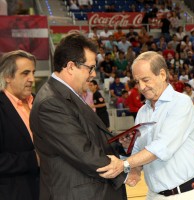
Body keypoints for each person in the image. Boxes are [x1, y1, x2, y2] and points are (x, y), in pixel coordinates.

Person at [29, 33, 139, 200]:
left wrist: (117, 141)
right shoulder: (51, 102)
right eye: (90, 67)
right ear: (71, 66)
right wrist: (123, 172)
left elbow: (87, 136)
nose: (93, 74)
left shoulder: (65, 96)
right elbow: (82, 151)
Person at [97, 51, 194, 200]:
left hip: (187, 194)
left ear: (162, 75)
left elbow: (162, 147)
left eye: (146, 80)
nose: (142, 87)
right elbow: (138, 150)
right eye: (137, 82)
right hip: (154, 195)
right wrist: (134, 165)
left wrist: (124, 164)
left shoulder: (181, 103)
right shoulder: (142, 112)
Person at [0, 50, 39, 200]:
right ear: (8, 76)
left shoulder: (38, 103)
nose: (32, 79)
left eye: (33, 73)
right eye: (25, 73)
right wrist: (34, 159)